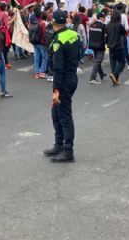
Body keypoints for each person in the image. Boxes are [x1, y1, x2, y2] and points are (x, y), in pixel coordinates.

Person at [43, 10, 80, 163]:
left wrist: (56, 91)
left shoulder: (58, 40)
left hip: (63, 80)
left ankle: (68, 151)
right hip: (71, 77)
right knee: (56, 113)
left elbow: (58, 68)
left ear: (53, 22)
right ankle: (59, 145)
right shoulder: (73, 34)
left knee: (64, 116)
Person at [106, 9, 127, 85]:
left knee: (113, 63)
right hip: (118, 46)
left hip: (110, 47)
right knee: (122, 63)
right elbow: (124, 33)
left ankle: (115, 80)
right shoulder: (119, 25)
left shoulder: (108, 24)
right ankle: (114, 75)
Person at [88, 11, 106, 84]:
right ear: (101, 18)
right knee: (98, 60)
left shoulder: (92, 25)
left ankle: (101, 74)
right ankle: (92, 77)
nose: (104, 19)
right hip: (100, 45)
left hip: (92, 45)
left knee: (97, 60)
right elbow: (105, 36)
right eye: (104, 17)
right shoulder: (103, 26)